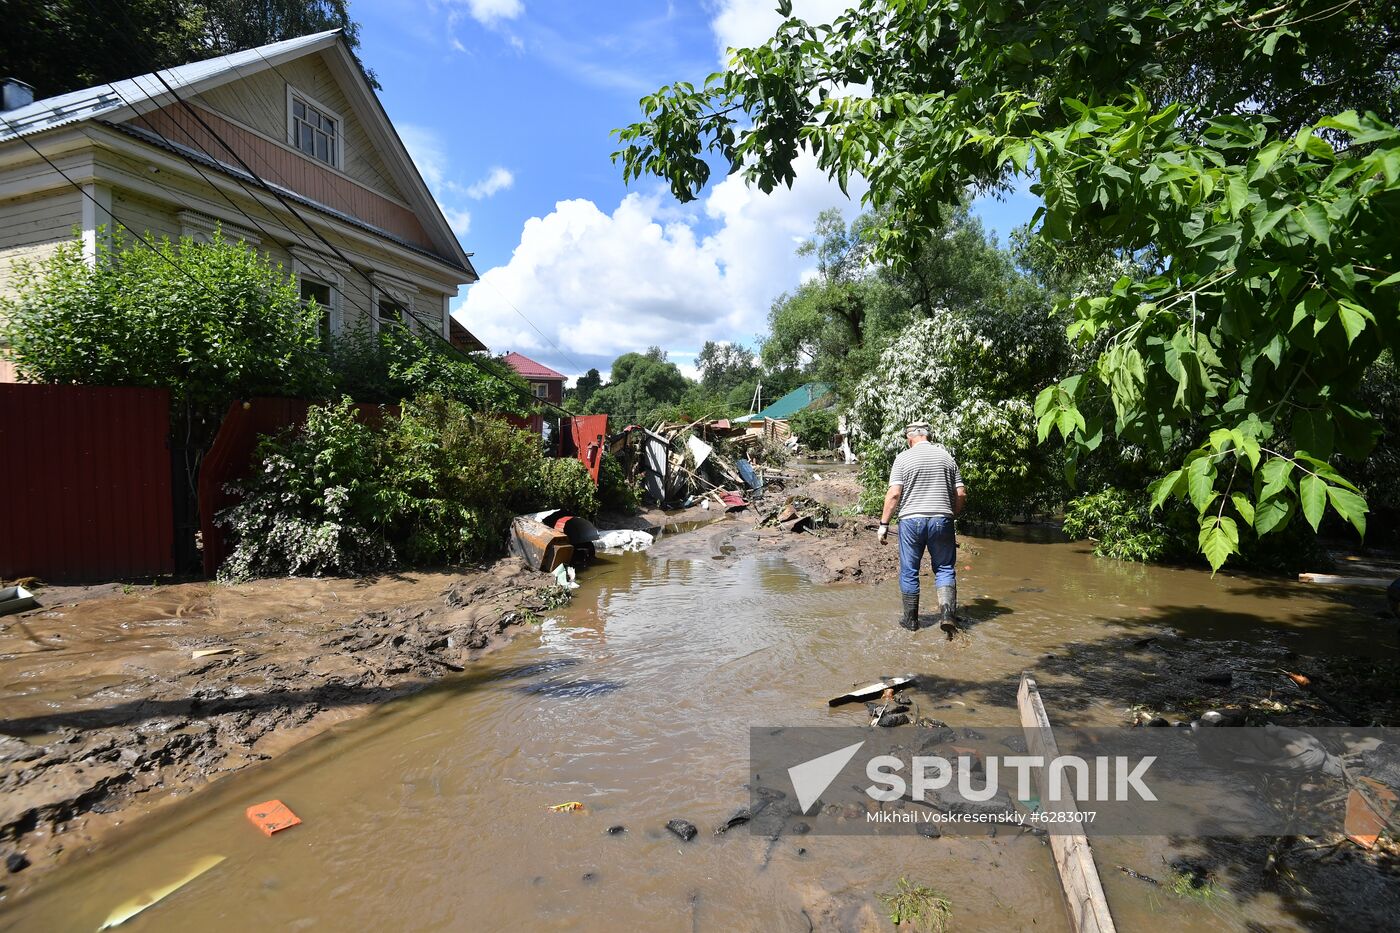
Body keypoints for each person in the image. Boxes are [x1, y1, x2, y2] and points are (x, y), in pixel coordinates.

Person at [877, 422, 966, 633]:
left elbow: (894, 494)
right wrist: (951, 513)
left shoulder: (903, 458)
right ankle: (947, 615)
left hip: (911, 521)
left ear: (910, 438)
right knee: (944, 568)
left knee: (910, 571)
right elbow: (961, 493)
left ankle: (911, 621)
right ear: (928, 435)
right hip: (942, 519)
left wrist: (883, 524)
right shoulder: (946, 457)